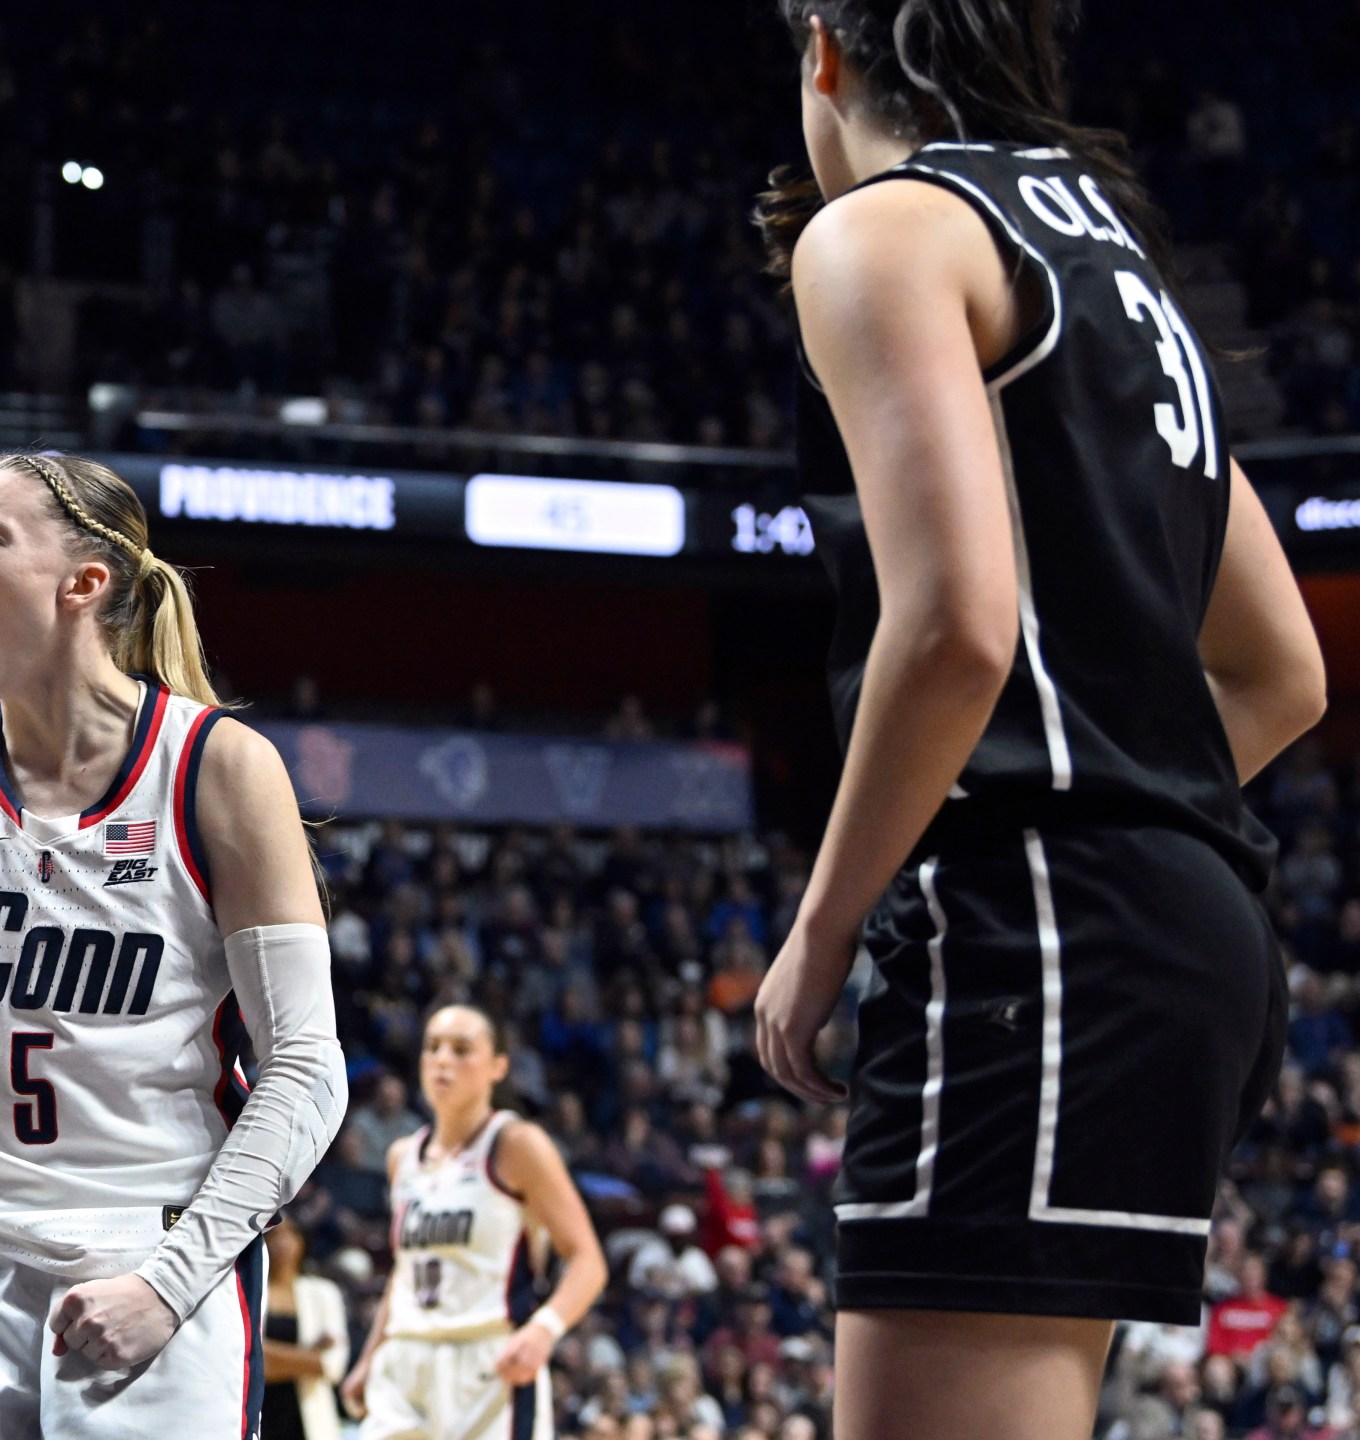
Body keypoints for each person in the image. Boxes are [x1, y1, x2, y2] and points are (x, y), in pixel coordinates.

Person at [749, 3, 1328, 1439]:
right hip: (1185, 924)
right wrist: (1128, 810)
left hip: (1042, 929)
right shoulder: (1113, 262)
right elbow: (1282, 672)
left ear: (823, 49)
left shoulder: (886, 228)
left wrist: (824, 931)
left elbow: (952, 627)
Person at [0, 451, 349, 1437]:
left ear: (83, 583)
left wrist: (169, 1284)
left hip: (149, 1254)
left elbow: (306, 1067)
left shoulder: (216, 768)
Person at [339, 1005, 607, 1440]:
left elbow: (588, 1260)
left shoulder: (516, 1145)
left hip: (488, 1363)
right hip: (406, 1359)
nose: (443, 1060)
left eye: (462, 1049)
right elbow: (405, 1272)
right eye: (433, 1048)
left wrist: (545, 1329)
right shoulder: (401, 1157)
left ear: (498, 1066)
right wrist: (371, 1354)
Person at [256, 1222, 347, 1440]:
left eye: (290, 1234)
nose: (282, 1243)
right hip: (260, 1420)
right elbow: (247, 1363)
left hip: (311, 1424)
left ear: (302, 1240)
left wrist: (268, 1355)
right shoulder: (250, 1293)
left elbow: (334, 1365)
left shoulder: (323, 1292)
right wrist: (309, 1355)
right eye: (274, 1235)